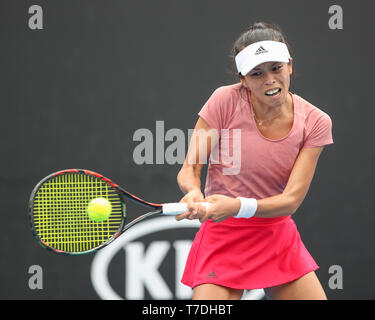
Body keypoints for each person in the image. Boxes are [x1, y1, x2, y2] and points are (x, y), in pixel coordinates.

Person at [175, 22, 333, 300]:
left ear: (290, 66)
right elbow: (191, 167)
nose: (270, 79)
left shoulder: (316, 122)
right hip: (223, 236)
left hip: (275, 234)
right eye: (257, 73)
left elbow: (291, 200)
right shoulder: (223, 101)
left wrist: (236, 206)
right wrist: (194, 192)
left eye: (276, 68)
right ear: (243, 79)